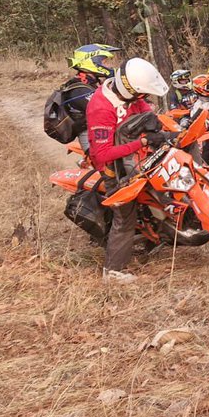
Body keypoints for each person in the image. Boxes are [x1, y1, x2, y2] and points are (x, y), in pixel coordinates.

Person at [86, 57, 171, 284]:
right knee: (125, 217)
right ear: (128, 89)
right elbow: (102, 154)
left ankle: (160, 236)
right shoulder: (101, 108)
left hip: (135, 156)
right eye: (140, 95)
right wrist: (142, 143)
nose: (142, 99)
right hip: (113, 168)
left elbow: (146, 112)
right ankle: (113, 272)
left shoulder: (131, 96)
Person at [59, 44, 121, 153]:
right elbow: (106, 111)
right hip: (94, 142)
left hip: (104, 133)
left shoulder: (91, 83)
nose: (109, 65)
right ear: (92, 62)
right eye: (104, 62)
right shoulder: (79, 90)